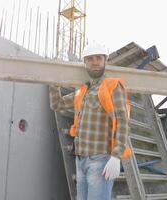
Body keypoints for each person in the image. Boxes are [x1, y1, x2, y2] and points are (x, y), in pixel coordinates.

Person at [49, 42, 131, 200]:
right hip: (81, 160)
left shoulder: (112, 85)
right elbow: (56, 104)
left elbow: (122, 120)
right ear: (84, 63)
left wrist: (116, 156)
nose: (94, 62)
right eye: (90, 58)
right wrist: (54, 82)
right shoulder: (83, 91)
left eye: (98, 58)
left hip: (100, 159)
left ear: (105, 61)